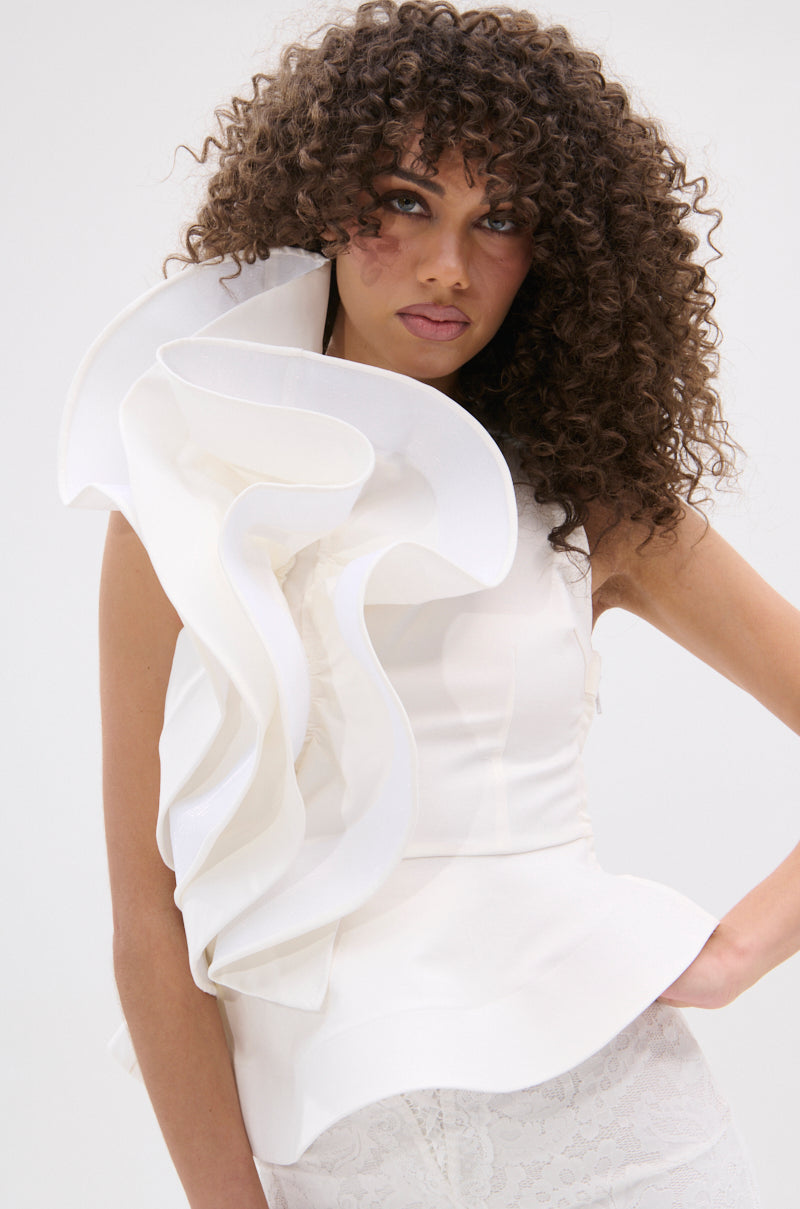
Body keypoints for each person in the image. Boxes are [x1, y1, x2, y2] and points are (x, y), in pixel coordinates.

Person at [58, 1, 800, 1205]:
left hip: (618, 1133)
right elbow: (148, 921)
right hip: (340, 1150)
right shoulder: (184, 495)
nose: (449, 265)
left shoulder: (587, 502)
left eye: (496, 220)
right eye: (406, 201)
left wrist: (737, 953)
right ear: (322, 198)